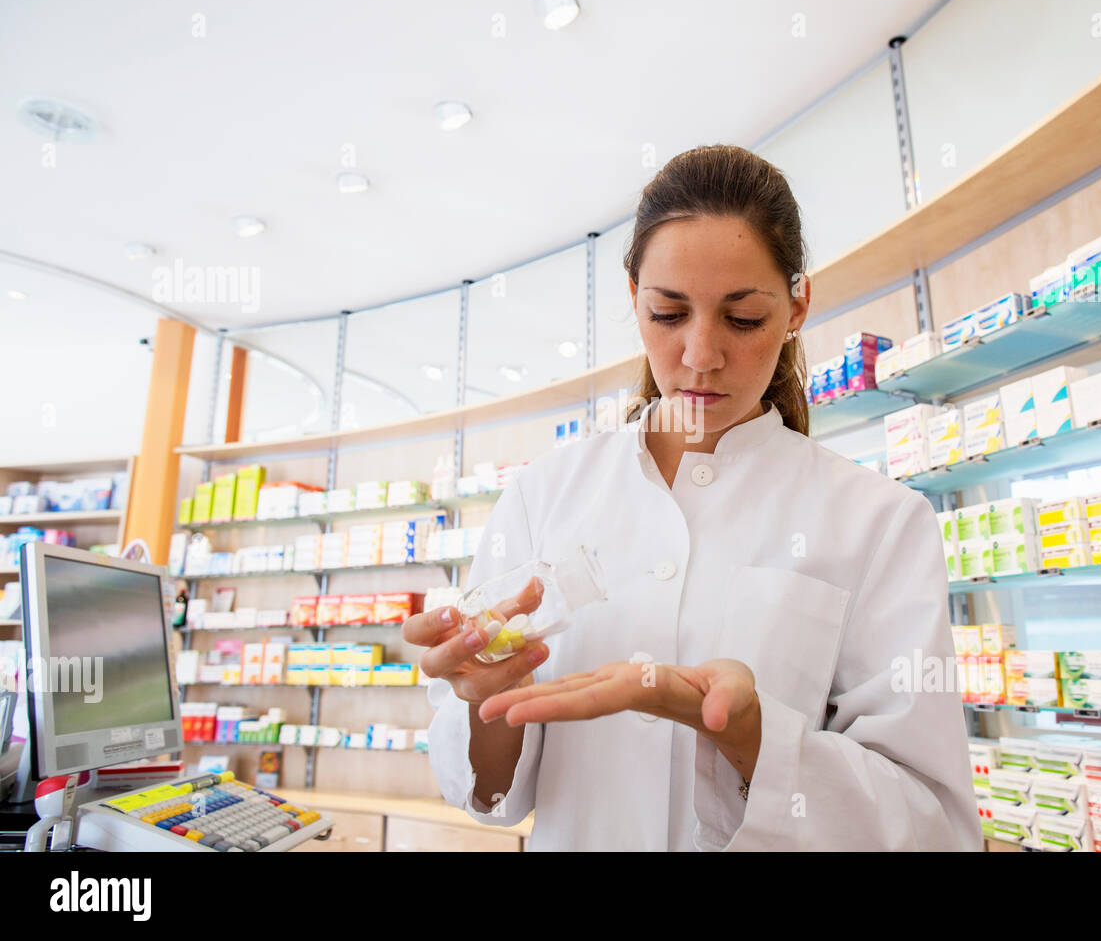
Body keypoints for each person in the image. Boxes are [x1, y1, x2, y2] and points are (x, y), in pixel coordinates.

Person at [404, 144, 980, 851]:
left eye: (743, 319)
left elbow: (932, 826)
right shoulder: (542, 495)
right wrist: (479, 695)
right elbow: (490, 799)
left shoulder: (880, 522)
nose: (701, 355)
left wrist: (753, 736)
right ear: (633, 298)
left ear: (798, 302)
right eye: (668, 313)